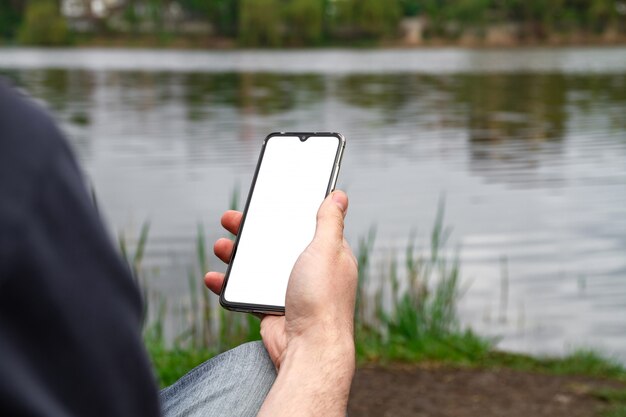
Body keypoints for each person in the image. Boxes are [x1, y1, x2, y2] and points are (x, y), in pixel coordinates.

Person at [0, 79, 358, 417]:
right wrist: (322, 341)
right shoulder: (18, 140)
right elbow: (114, 387)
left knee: (257, 366)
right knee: (277, 368)